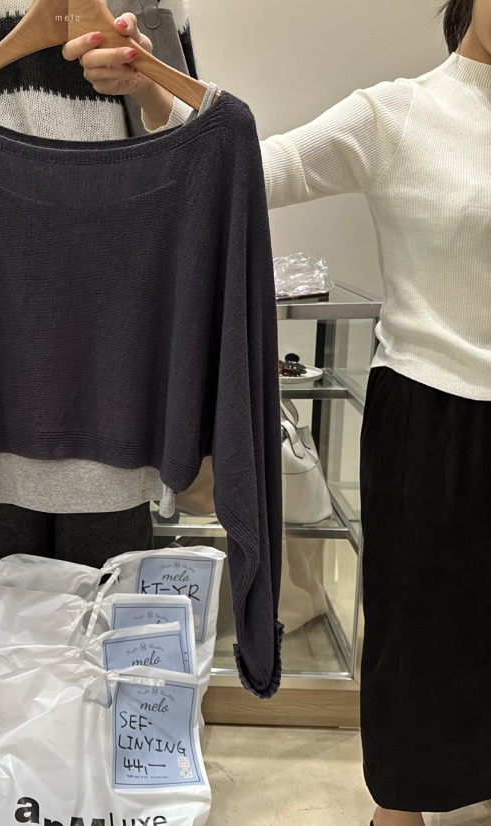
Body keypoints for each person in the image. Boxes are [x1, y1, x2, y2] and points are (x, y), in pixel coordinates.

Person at [63, 2, 491, 824]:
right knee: (419, 630)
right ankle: (400, 806)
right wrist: (151, 90)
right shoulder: (399, 114)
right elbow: (246, 172)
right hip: (431, 414)